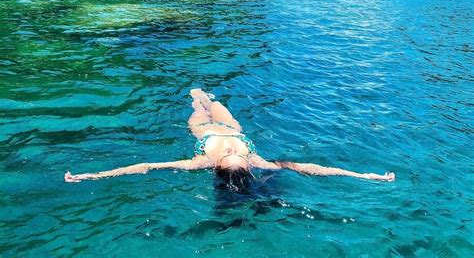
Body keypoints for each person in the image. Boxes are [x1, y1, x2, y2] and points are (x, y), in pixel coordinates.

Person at [64, 89, 395, 189]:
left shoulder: (202, 161)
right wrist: (362, 175)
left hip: (203, 131)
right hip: (232, 128)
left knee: (200, 102)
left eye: (231, 158)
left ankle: (202, 99)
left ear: (219, 168)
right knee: (207, 100)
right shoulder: (254, 160)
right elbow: (308, 167)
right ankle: (204, 97)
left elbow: (149, 166)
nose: (236, 157)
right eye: (238, 159)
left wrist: (95, 175)